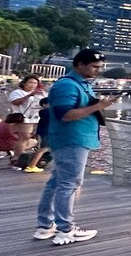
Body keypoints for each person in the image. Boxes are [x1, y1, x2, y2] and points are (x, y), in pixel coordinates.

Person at [33, 49, 119, 245]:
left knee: (57, 182)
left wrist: (99, 103)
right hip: (72, 140)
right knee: (69, 184)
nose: (98, 70)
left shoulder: (80, 84)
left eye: (100, 67)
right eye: (95, 67)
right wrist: (99, 106)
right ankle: (66, 229)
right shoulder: (67, 85)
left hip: (73, 139)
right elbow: (66, 114)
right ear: (80, 64)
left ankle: (45, 226)